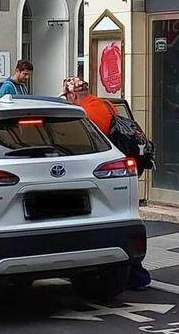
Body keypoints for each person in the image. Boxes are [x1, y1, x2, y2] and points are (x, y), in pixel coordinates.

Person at [62, 76, 152, 290]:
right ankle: (136, 276)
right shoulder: (107, 104)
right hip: (118, 170)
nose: (67, 101)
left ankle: (134, 275)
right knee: (119, 221)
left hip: (96, 173)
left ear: (73, 95)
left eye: (67, 97)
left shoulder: (84, 114)